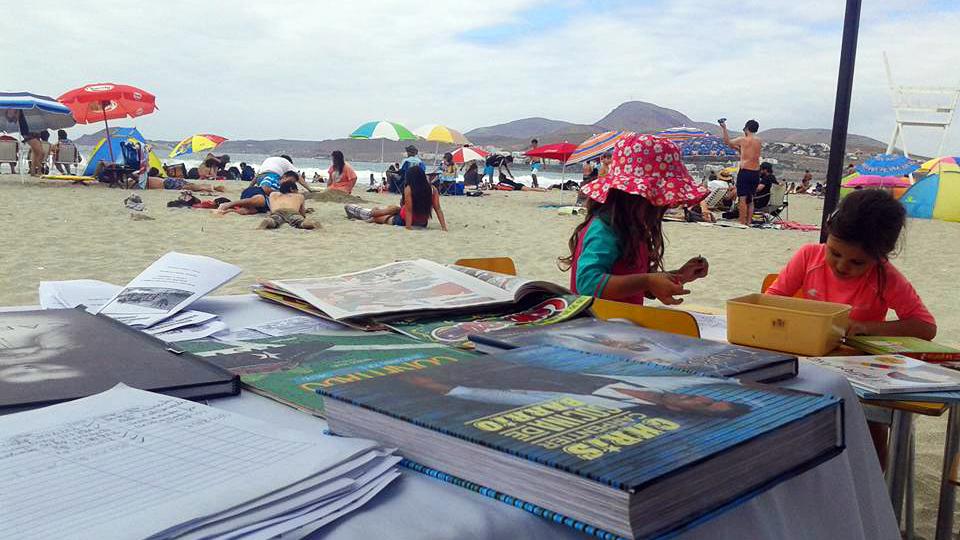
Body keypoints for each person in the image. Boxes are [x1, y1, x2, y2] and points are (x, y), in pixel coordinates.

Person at [559, 133, 710, 306]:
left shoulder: (633, 229)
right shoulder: (605, 229)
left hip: (620, 325)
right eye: (656, 200)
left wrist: (680, 276)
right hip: (594, 325)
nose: (664, 206)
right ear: (633, 196)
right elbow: (587, 283)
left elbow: (635, 284)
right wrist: (647, 281)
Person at [766, 189, 935, 339]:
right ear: (828, 231)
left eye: (857, 262)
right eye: (834, 253)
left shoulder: (884, 276)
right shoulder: (809, 256)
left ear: (880, 257)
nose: (841, 266)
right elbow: (769, 301)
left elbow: (926, 326)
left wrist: (866, 328)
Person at [347, 167, 448, 231]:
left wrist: (408, 227)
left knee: (377, 218)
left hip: (402, 220)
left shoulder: (409, 188)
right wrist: (444, 227)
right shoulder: (432, 189)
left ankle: (373, 214)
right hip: (422, 223)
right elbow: (438, 209)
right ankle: (376, 212)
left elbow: (409, 209)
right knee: (395, 208)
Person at [720, 119, 762, 225]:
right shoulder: (759, 141)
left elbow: (727, 142)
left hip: (745, 171)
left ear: (747, 128)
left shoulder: (743, 139)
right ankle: (748, 221)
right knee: (751, 198)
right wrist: (739, 150)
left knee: (742, 198)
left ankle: (742, 222)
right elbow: (750, 153)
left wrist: (724, 128)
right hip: (756, 172)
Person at [4, 110, 44, 175]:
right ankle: (39, 170)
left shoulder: (30, 106)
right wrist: (13, 116)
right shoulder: (19, 107)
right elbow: (11, 119)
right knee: (41, 153)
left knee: (36, 152)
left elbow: (11, 119)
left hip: (35, 132)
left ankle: (33, 171)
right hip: (28, 132)